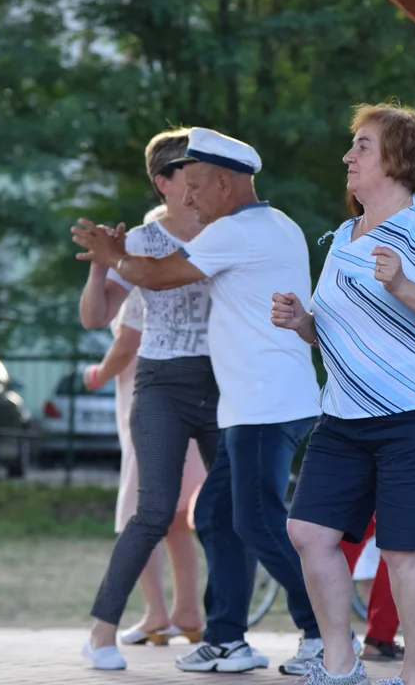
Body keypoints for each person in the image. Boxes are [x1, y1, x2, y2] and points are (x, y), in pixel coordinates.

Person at [73, 127, 337, 676]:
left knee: (259, 522)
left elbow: (159, 275)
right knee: (215, 515)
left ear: (225, 182)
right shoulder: (278, 224)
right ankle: (223, 639)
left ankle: (324, 635)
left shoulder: (235, 232)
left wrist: (112, 254)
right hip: (257, 401)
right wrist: (117, 257)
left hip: (261, 406)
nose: (188, 198)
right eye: (181, 185)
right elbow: (124, 299)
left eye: (196, 186)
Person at [272, 102, 415, 685]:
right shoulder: (343, 236)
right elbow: (340, 329)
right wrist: (302, 322)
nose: (349, 155)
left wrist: (404, 284)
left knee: (404, 551)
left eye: (362, 145)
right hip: (343, 416)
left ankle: (414, 678)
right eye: (352, 145)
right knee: (308, 532)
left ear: (399, 157)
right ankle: (341, 667)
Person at [76, 129, 225, 672]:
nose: (203, 183)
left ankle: (219, 630)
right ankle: (102, 633)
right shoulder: (140, 240)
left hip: (222, 385)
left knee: (229, 512)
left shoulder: (227, 230)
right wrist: (101, 262)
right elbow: (97, 318)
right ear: (165, 182)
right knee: (152, 511)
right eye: (192, 172)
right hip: (160, 385)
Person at [82, 205, 207, 648]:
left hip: (149, 398)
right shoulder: (179, 268)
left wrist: (96, 374)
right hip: (185, 398)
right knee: (175, 519)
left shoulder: (147, 273)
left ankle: (155, 612)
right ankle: (187, 612)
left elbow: (125, 341)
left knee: (140, 511)